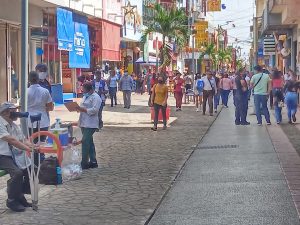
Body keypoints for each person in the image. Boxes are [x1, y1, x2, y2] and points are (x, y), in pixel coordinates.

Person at [0, 102, 35, 212]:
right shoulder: (1, 123)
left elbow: (23, 139)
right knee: (17, 173)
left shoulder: (14, 125)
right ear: (5, 112)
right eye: (13, 110)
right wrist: (27, 148)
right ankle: (12, 200)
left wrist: (33, 146)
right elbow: (11, 140)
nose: (16, 113)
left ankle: (19, 195)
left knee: (31, 168)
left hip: (12, 155)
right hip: (2, 155)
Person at [27, 71, 54, 163]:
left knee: (31, 144)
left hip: (29, 122)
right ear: (38, 79)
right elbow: (51, 107)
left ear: (29, 80)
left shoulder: (25, 92)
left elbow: (22, 107)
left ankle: (34, 164)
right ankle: (41, 164)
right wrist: (42, 108)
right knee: (41, 145)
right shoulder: (45, 91)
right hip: (43, 121)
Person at [76, 82, 101, 169]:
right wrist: (78, 109)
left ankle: (84, 162)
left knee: (85, 141)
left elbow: (94, 110)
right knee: (89, 142)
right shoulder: (85, 96)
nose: (83, 92)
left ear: (90, 89)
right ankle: (93, 161)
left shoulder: (96, 97)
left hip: (91, 123)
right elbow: (82, 106)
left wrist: (83, 109)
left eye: (85, 90)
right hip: (84, 122)